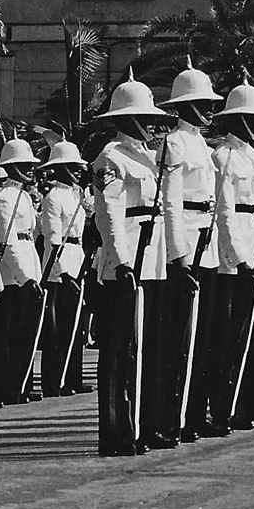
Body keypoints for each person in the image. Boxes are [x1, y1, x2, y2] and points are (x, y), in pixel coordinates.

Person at [91, 74, 173, 456]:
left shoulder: (147, 158)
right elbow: (108, 215)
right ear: (127, 119)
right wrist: (122, 262)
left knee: (147, 348)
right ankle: (117, 431)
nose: (151, 124)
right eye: (145, 117)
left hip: (151, 261)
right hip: (126, 265)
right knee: (120, 352)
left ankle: (144, 425)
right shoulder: (110, 157)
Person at [158, 61, 224, 443]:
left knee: (204, 339)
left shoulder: (202, 145)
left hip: (207, 245)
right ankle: (176, 418)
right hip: (188, 247)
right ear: (185, 106)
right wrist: (179, 255)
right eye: (203, 103)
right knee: (182, 339)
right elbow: (171, 204)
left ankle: (196, 414)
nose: (210, 109)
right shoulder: (175, 143)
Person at [210, 77, 254, 432]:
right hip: (235, 258)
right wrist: (240, 260)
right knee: (231, 336)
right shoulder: (222, 156)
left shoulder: (253, 156)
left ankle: (253, 404)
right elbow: (223, 213)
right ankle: (227, 407)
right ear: (236, 119)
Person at [0, 137, 44, 405]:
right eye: (24, 165)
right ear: (12, 167)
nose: (30, 169)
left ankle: (22, 384)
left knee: (26, 332)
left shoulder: (23, 196)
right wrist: (24, 277)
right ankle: (8, 386)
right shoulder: (4, 198)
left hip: (28, 262)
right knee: (9, 333)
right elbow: (7, 239)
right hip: (13, 274)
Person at [37, 141, 90, 398]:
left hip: (77, 257)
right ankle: (54, 381)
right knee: (57, 328)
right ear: (60, 168)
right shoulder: (53, 198)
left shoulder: (76, 195)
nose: (78, 171)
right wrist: (64, 272)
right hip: (59, 268)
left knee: (75, 325)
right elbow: (53, 238)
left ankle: (72, 378)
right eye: (73, 166)